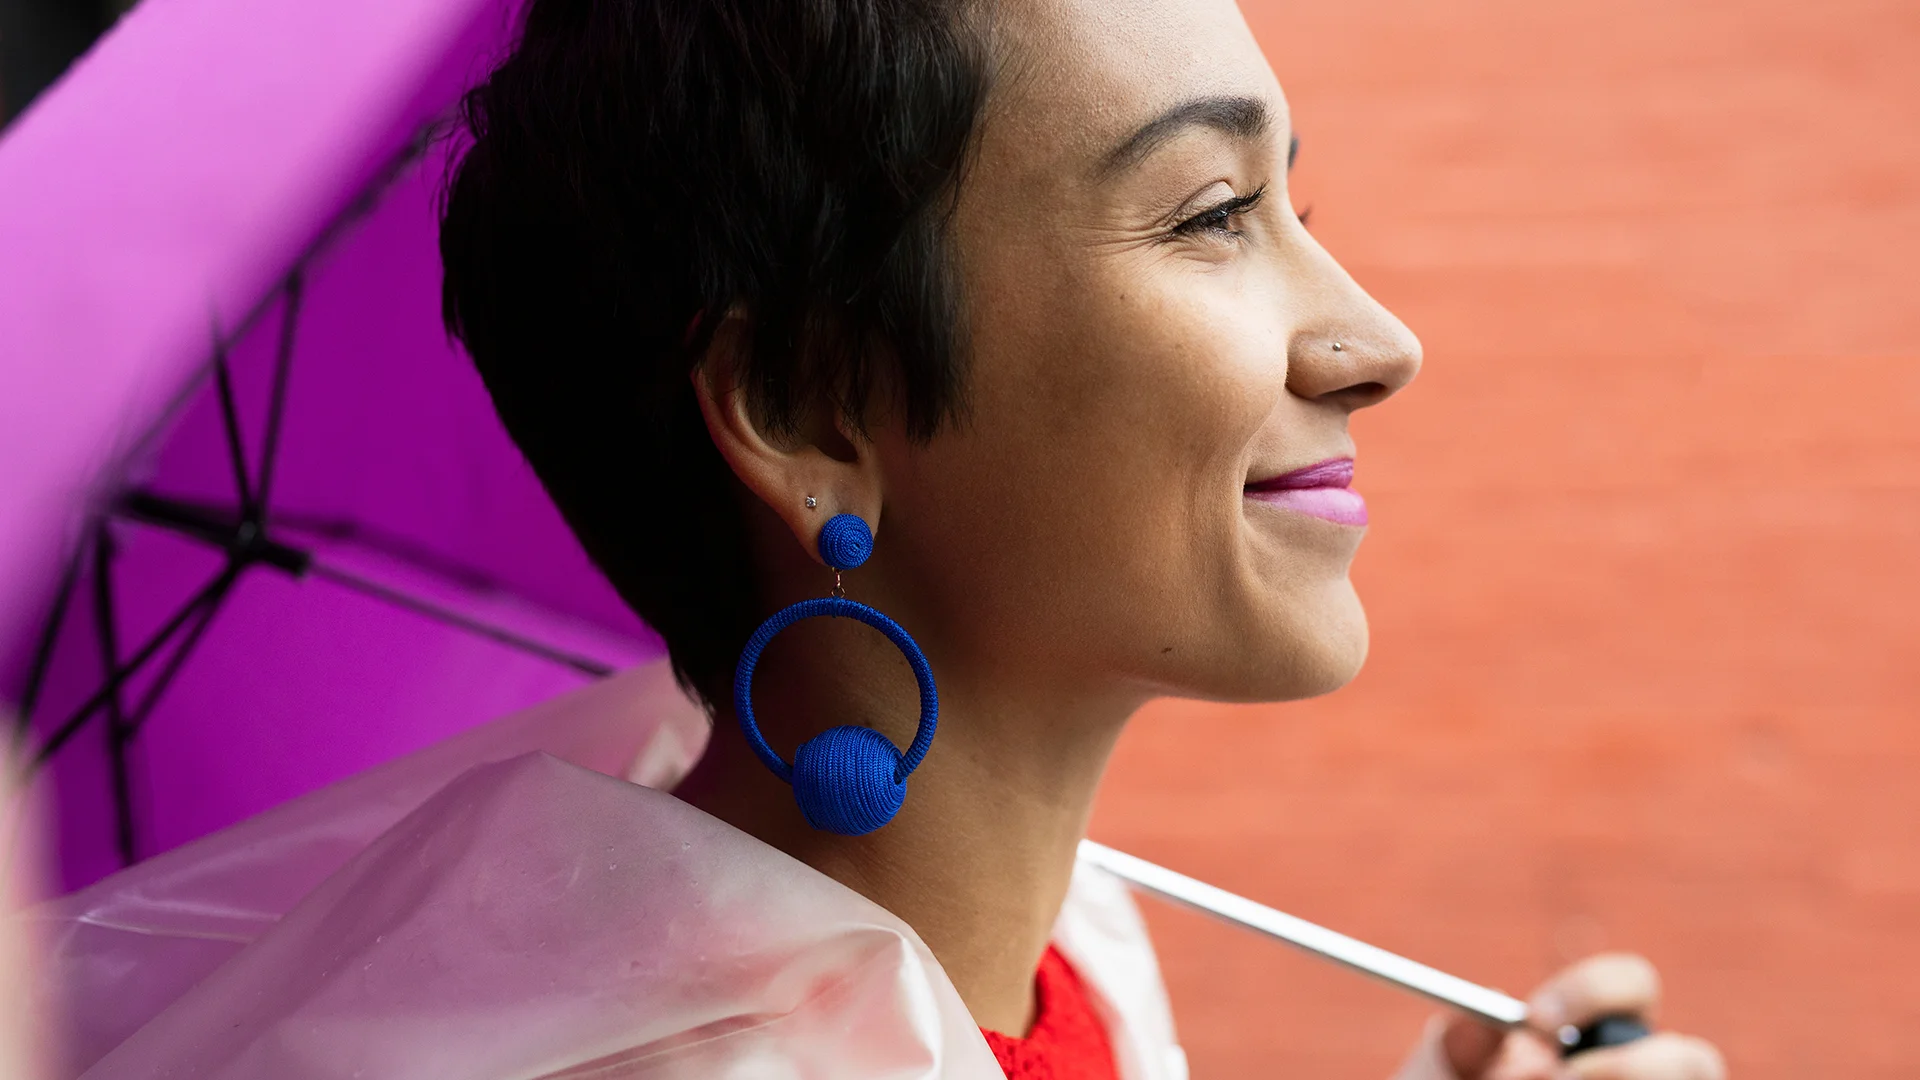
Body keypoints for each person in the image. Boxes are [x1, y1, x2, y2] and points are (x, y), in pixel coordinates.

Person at [38, 0, 1727, 1077]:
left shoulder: (1043, 962)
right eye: (1215, 214)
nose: (1377, 340)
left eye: (1300, 204)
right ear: (806, 409)